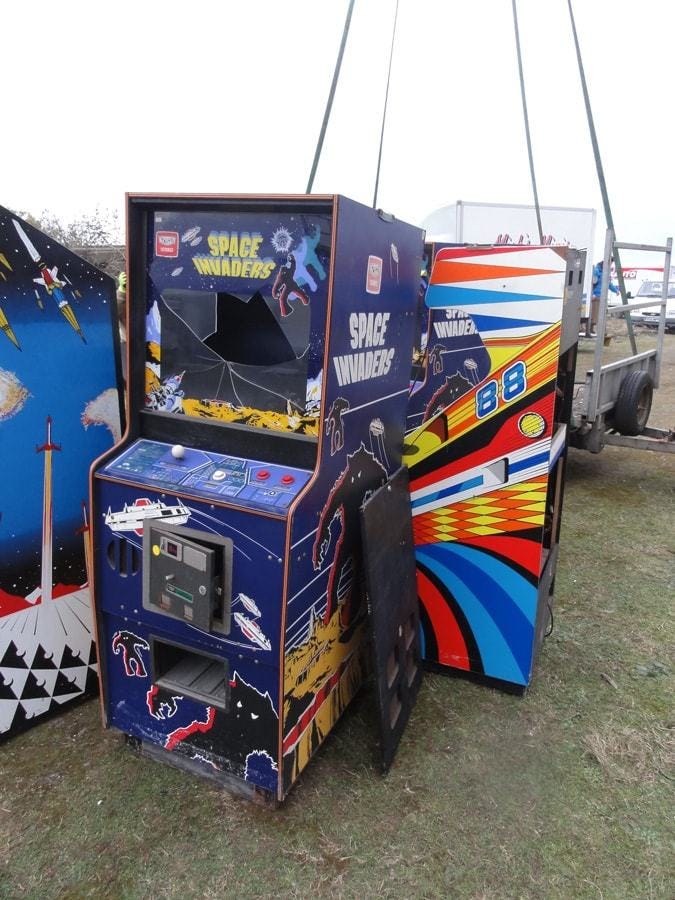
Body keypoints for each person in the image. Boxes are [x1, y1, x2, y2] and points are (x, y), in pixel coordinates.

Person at [589, 259, 620, 337]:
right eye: (610, 264)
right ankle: (590, 329)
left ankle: (602, 331)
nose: (610, 266)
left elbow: (609, 284)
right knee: (594, 314)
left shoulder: (606, 273)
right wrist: (592, 294)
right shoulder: (596, 271)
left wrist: (616, 290)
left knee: (601, 315)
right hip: (596, 296)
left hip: (602, 297)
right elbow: (591, 283)